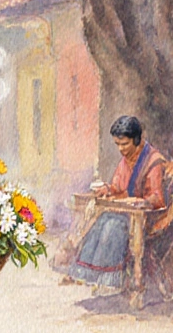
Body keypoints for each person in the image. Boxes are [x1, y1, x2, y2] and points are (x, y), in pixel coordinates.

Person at [64, 116, 167, 288]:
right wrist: (108, 189)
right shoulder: (126, 159)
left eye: (124, 144)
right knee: (100, 222)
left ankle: (108, 281)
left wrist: (141, 201)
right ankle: (88, 275)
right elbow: (118, 186)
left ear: (137, 140)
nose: (121, 149)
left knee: (112, 227)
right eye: (117, 144)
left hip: (144, 218)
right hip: (125, 212)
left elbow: (157, 198)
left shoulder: (153, 161)